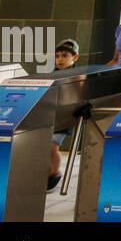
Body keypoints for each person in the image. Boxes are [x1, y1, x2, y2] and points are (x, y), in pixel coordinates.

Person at [47, 39, 80, 190]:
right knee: (48, 147)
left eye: (65, 55)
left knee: (52, 146)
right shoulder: (52, 76)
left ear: (75, 57)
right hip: (53, 117)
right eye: (58, 56)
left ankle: (55, 173)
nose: (60, 59)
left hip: (66, 119)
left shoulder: (78, 76)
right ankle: (48, 172)